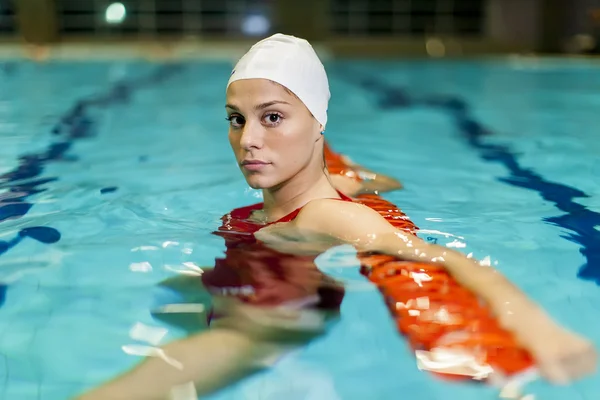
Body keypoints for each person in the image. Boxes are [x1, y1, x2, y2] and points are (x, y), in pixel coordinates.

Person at [77, 34, 596, 400]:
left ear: (318, 125)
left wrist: (539, 329)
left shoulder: (328, 217)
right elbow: (372, 184)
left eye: (273, 117)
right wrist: (362, 181)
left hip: (259, 330)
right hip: (235, 292)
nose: (248, 139)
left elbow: (445, 260)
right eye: (237, 120)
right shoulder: (299, 197)